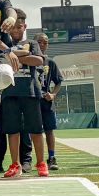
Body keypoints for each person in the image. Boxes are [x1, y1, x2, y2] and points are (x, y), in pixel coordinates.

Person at [0, 9, 46, 178]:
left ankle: (41, 163)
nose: (16, 30)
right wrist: (21, 54)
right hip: (10, 93)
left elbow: (38, 60)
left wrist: (14, 56)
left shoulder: (32, 43)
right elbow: (0, 59)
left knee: (36, 130)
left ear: (25, 26)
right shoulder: (3, 44)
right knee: (13, 130)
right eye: (13, 27)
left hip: (30, 92)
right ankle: (14, 164)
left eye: (19, 27)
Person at [34, 32, 64, 170]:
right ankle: (30, 159)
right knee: (33, 131)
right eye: (39, 42)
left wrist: (52, 94)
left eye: (45, 42)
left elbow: (59, 82)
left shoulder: (50, 62)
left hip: (46, 102)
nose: (42, 45)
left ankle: (51, 157)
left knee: (49, 130)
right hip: (32, 101)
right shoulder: (28, 60)